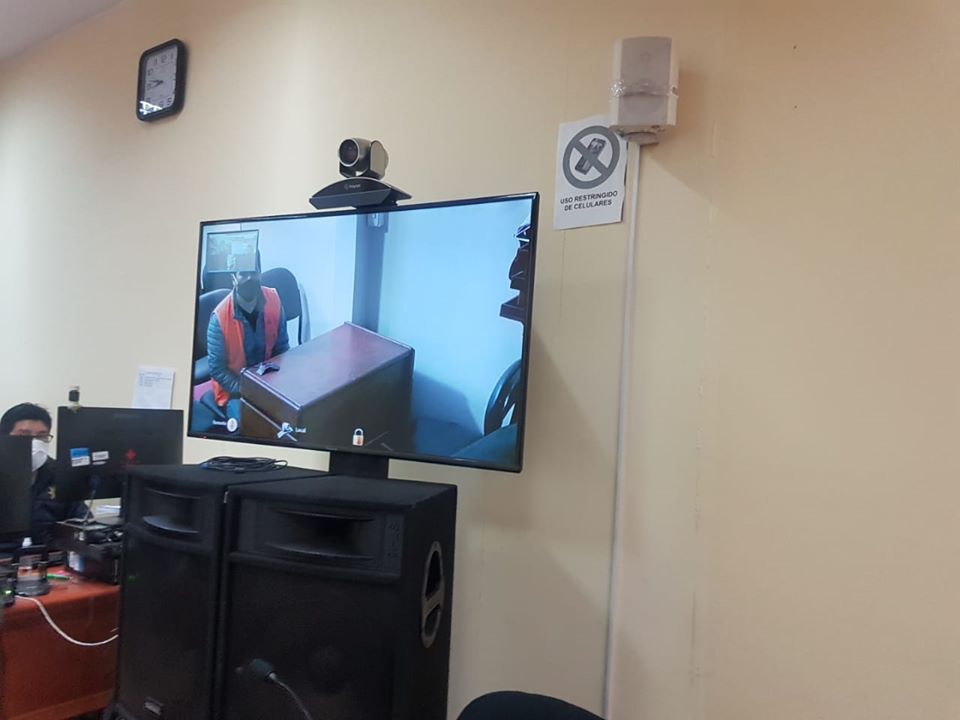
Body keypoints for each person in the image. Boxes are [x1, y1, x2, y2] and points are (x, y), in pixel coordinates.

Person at [205, 260, 289, 423]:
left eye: (253, 272)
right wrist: (251, 391)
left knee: (291, 416)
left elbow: (282, 348)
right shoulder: (219, 319)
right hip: (235, 391)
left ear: (260, 273)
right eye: (243, 274)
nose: (249, 278)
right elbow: (218, 370)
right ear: (233, 278)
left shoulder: (274, 300)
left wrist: (275, 383)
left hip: (268, 382)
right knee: (256, 424)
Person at [0, 403, 86, 547]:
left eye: (42, 436)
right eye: (23, 435)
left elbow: (81, 519)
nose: (34, 443)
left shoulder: (59, 474)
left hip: (48, 555)